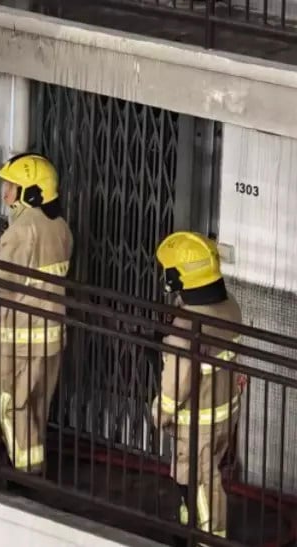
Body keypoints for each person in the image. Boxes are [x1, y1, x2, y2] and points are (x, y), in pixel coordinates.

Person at [0, 152, 73, 474]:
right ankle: (35, 467)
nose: (5, 194)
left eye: (11, 187)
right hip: (52, 335)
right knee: (37, 406)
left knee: (10, 405)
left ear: (30, 191)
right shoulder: (61, 227)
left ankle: (24, 473)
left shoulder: (21, 229)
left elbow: (4, 283)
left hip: (21, 338)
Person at [153, 231, 242, 541]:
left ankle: (208, 539)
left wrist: (159, 414)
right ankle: (190, 528)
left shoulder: (186, 330)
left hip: (197, 426)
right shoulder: (230, 307)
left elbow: (175, 385)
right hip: (223, 418)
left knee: (198, 485)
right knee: (201, 480)